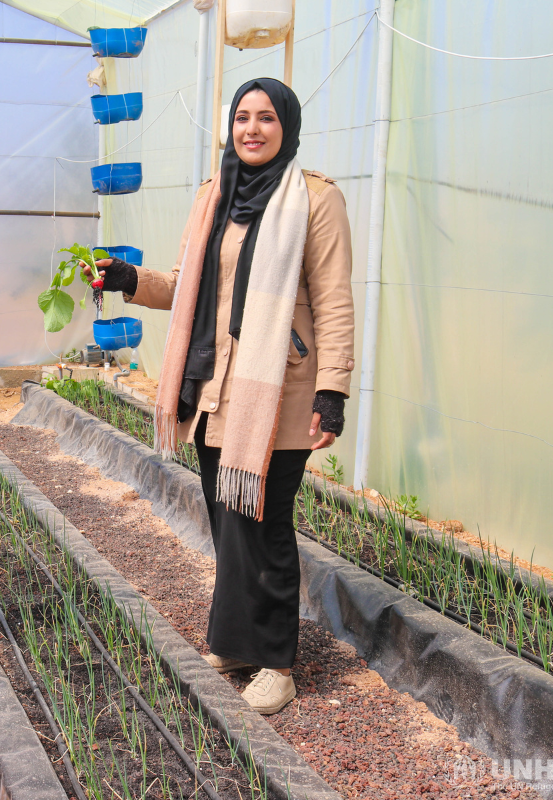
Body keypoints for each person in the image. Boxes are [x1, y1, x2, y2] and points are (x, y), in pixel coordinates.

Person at [87, 79, 354, 715]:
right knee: (227, 518)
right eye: (241, 117)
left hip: (279, 392)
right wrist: (130, 279)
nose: (252, 129)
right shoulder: (216, 196)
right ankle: (236, 642)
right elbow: (188, 284)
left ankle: (276, 663)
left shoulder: (316, 199)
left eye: (265, 118)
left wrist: (333, 389)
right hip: (216, 389)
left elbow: (335, 299)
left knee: (264, 523)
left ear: (286, 125)